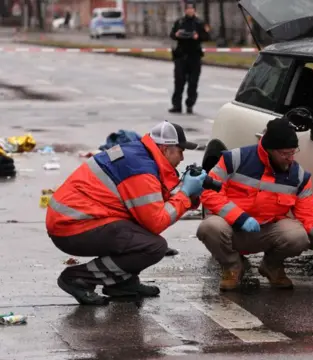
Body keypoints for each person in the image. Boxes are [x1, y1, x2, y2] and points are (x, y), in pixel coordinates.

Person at [46, 121, 207, 305]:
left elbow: (152, 200)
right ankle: (78, 277)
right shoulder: (140, 170)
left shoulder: (140, 155)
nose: (182, 158)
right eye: (180, 151)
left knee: (138, 234)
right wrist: (185, 194)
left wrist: (189, 195)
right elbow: (156, 221)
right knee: (153, 246)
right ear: (165, 149)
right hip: (73, 225)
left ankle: (122, 283)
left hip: (75, 219)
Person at [196, 116, 313, 291]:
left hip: (267, 232)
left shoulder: (298, 176)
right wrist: (240, 218)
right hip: (232, 228)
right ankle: (232, 266)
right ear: (269, 150)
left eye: (293, 152)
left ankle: (271, 266)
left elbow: (309, 213)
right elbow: (209, 193)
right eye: (284, 154)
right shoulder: (234, 160)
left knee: (298, 237)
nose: (290, 158)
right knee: (209, 227)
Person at [168, 1, 210, 114]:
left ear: (195, 10)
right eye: (188, 9)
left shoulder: (200, 23)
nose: (189, 11)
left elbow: (207, 36)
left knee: (193, 82)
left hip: (194, 56)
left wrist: (198, 36)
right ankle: (176, 105)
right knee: (179, 82)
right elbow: (172, 34)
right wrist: (176, 35)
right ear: (185, 10)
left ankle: (190, 104)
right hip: (181, 56)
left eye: (192, 9)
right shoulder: (179, 22)